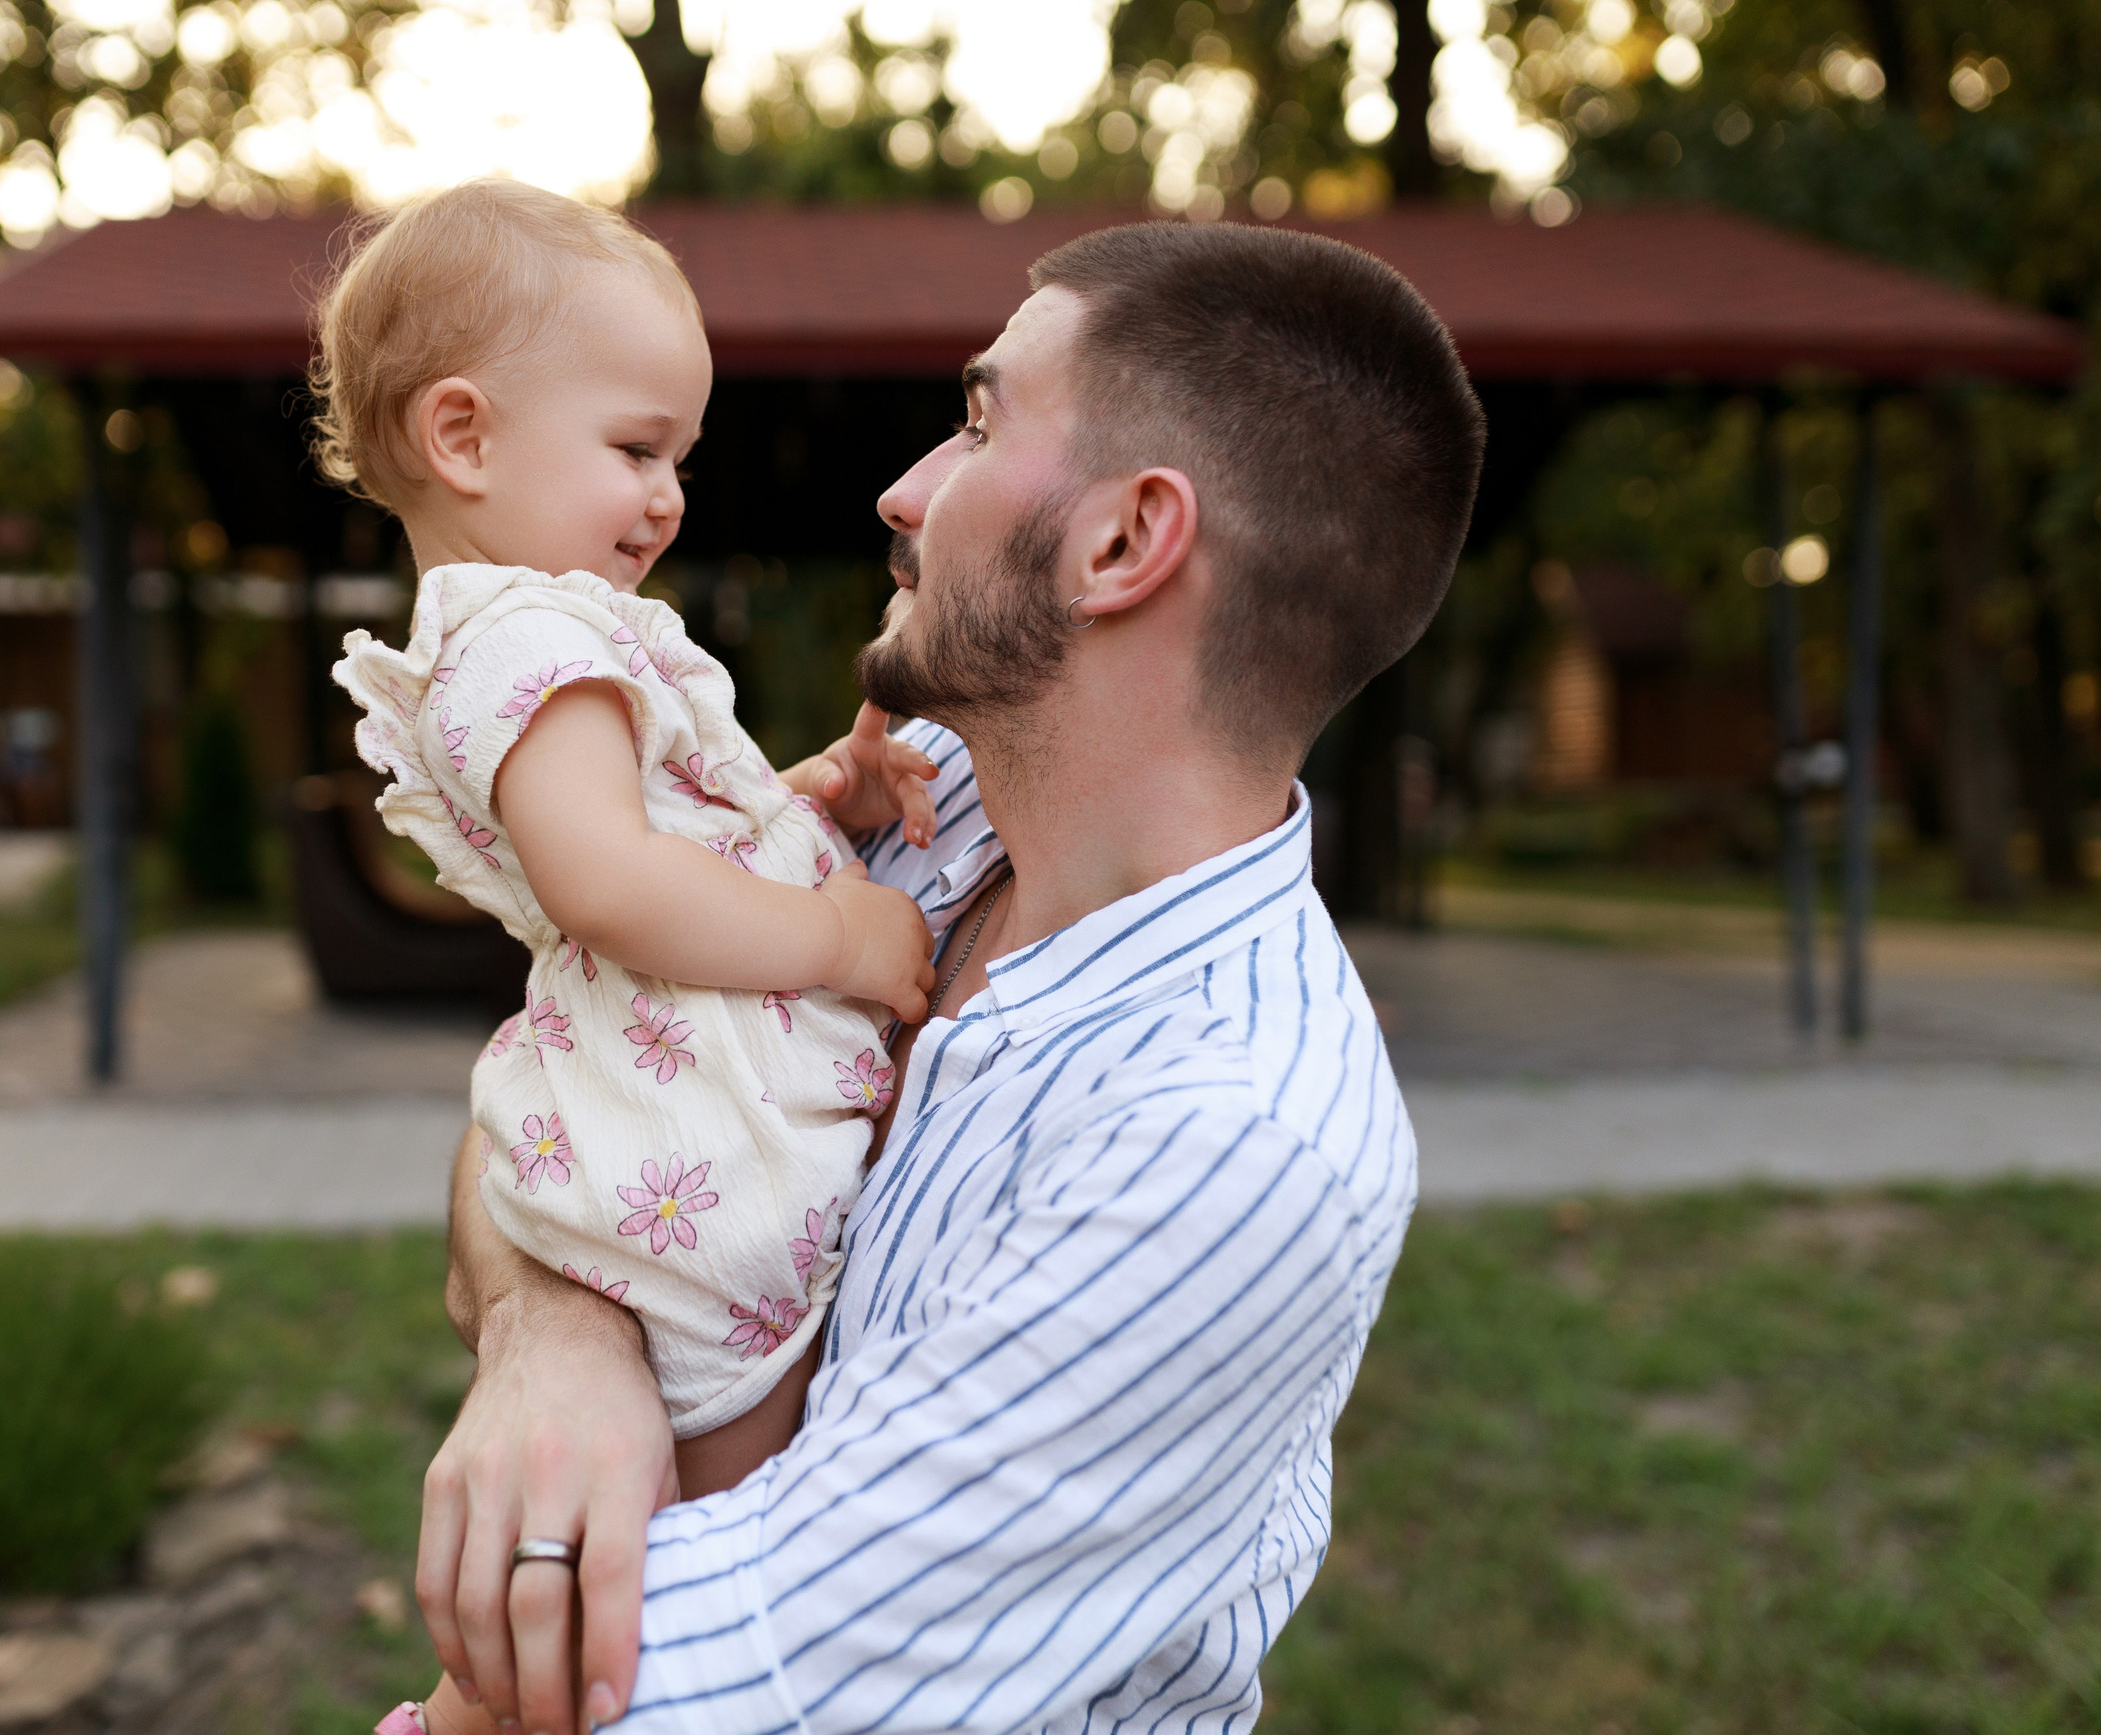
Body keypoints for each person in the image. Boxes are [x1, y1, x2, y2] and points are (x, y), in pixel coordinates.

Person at [408, 215, 1487, 1735]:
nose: (901, 489)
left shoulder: (1236, 1137)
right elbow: (562, 1075)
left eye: (979, 423)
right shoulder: (918, 807)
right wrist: (559, 1337)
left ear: (1123, 543)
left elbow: (722, 1683)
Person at [310, 180, 952, 1734]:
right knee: (679, 1571)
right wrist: (841, 930)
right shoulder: (537, 645)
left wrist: (806, 794)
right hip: (678, 1168)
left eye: (680, 456)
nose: (667, 497)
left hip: (650, 1110)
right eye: (635, 448)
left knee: (666, 1561)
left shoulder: (545, 637)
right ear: (463, 438)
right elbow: (609, 884)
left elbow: (672, 830)